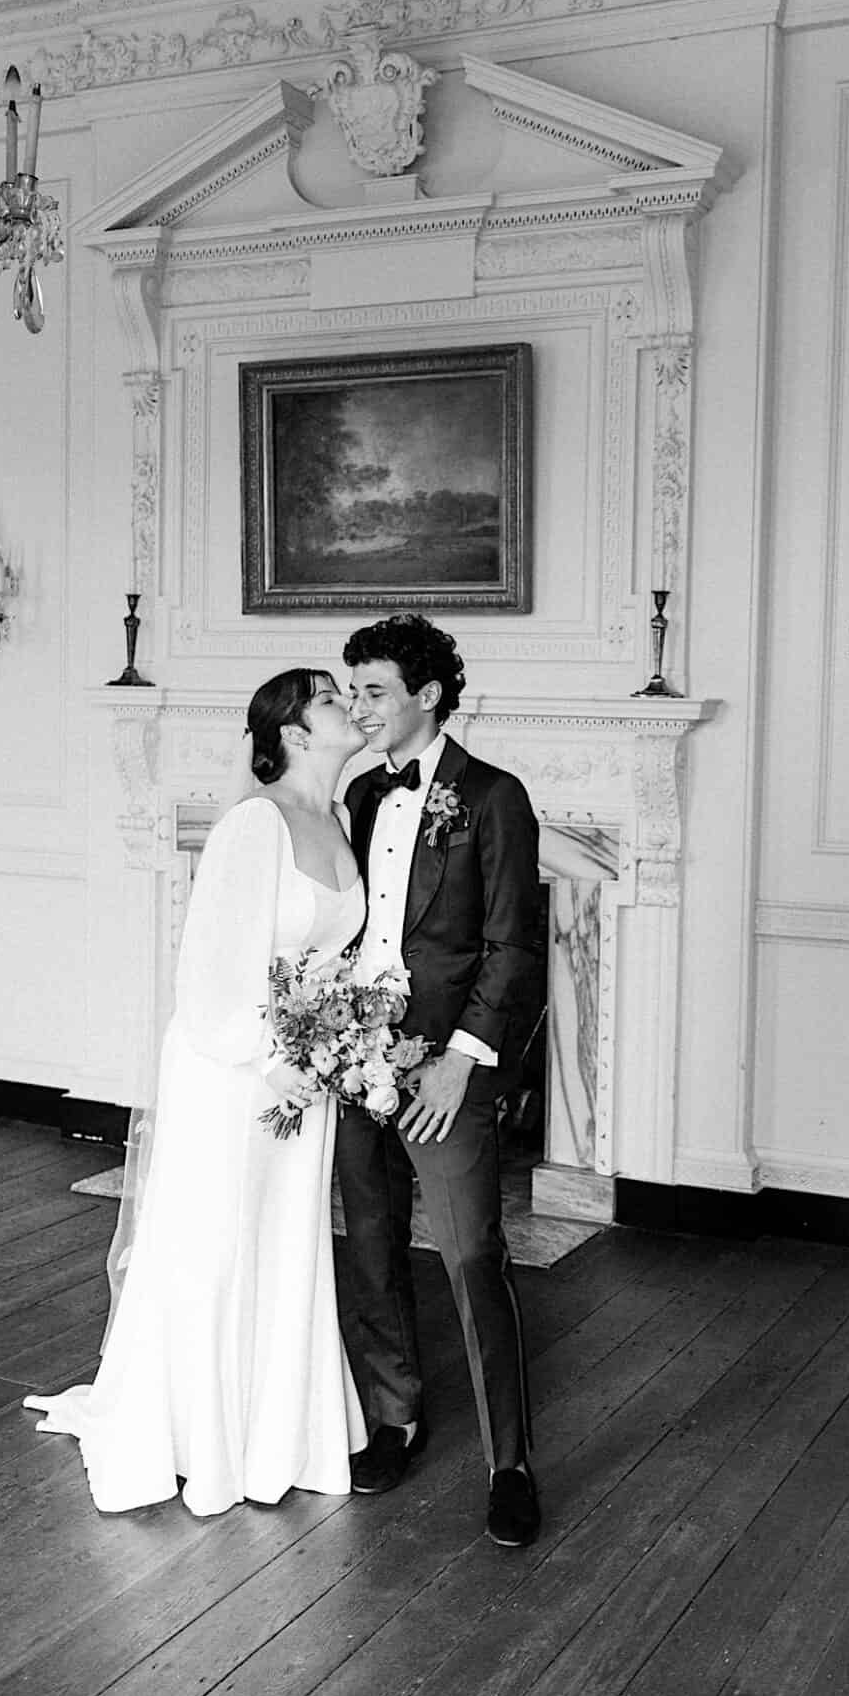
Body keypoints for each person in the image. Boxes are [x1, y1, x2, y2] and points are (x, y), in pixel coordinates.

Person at [25, 671, 370, 1513]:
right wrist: (277, 1052)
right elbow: (211, 976)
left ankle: (276, 1432)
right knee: (216, 1240)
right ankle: (195, 1437)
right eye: (330, 699)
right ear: (292, 732)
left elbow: (339, 959)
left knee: (287, 1240)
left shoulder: (343, 818)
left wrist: (341, 1042)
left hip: (306, 1077)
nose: (349, 707)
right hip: (234, 1073)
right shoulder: (255, 827)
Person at [335, 613, 546, 1548]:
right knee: (370, 1243)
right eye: (351, 692)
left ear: (427, 695)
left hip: (444, 1074)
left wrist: (461, 1062)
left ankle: (510, 1463)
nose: (358, 708)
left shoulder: (494, 798)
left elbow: (514, 947)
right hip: (353, 1063)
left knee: (469, 1257)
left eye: (373, 690)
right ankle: (397, 1419)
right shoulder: (361, 795)